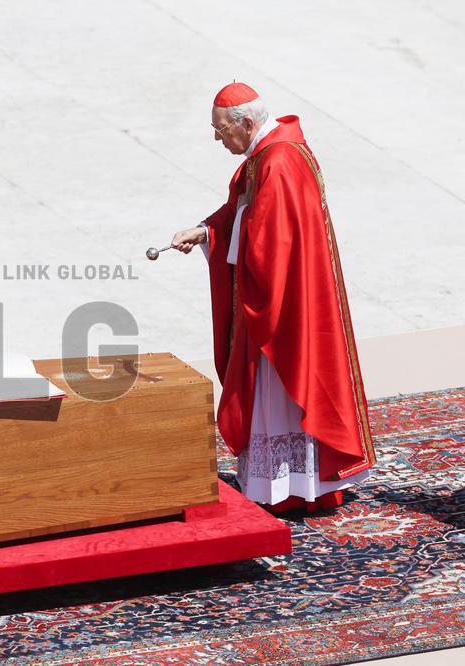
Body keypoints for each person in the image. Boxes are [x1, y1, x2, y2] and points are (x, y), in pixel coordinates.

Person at [171, 82, 375, 513]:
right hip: (278, 296)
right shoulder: (266, 156)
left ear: (246, 123)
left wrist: (231, 252)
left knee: (282, 390)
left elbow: (270, 244)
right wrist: (206, 230)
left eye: (220, 129)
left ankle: (292, 486)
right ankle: (288, 482)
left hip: (283, 307)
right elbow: (242, 212)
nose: (216, 138)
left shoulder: (279, 162)